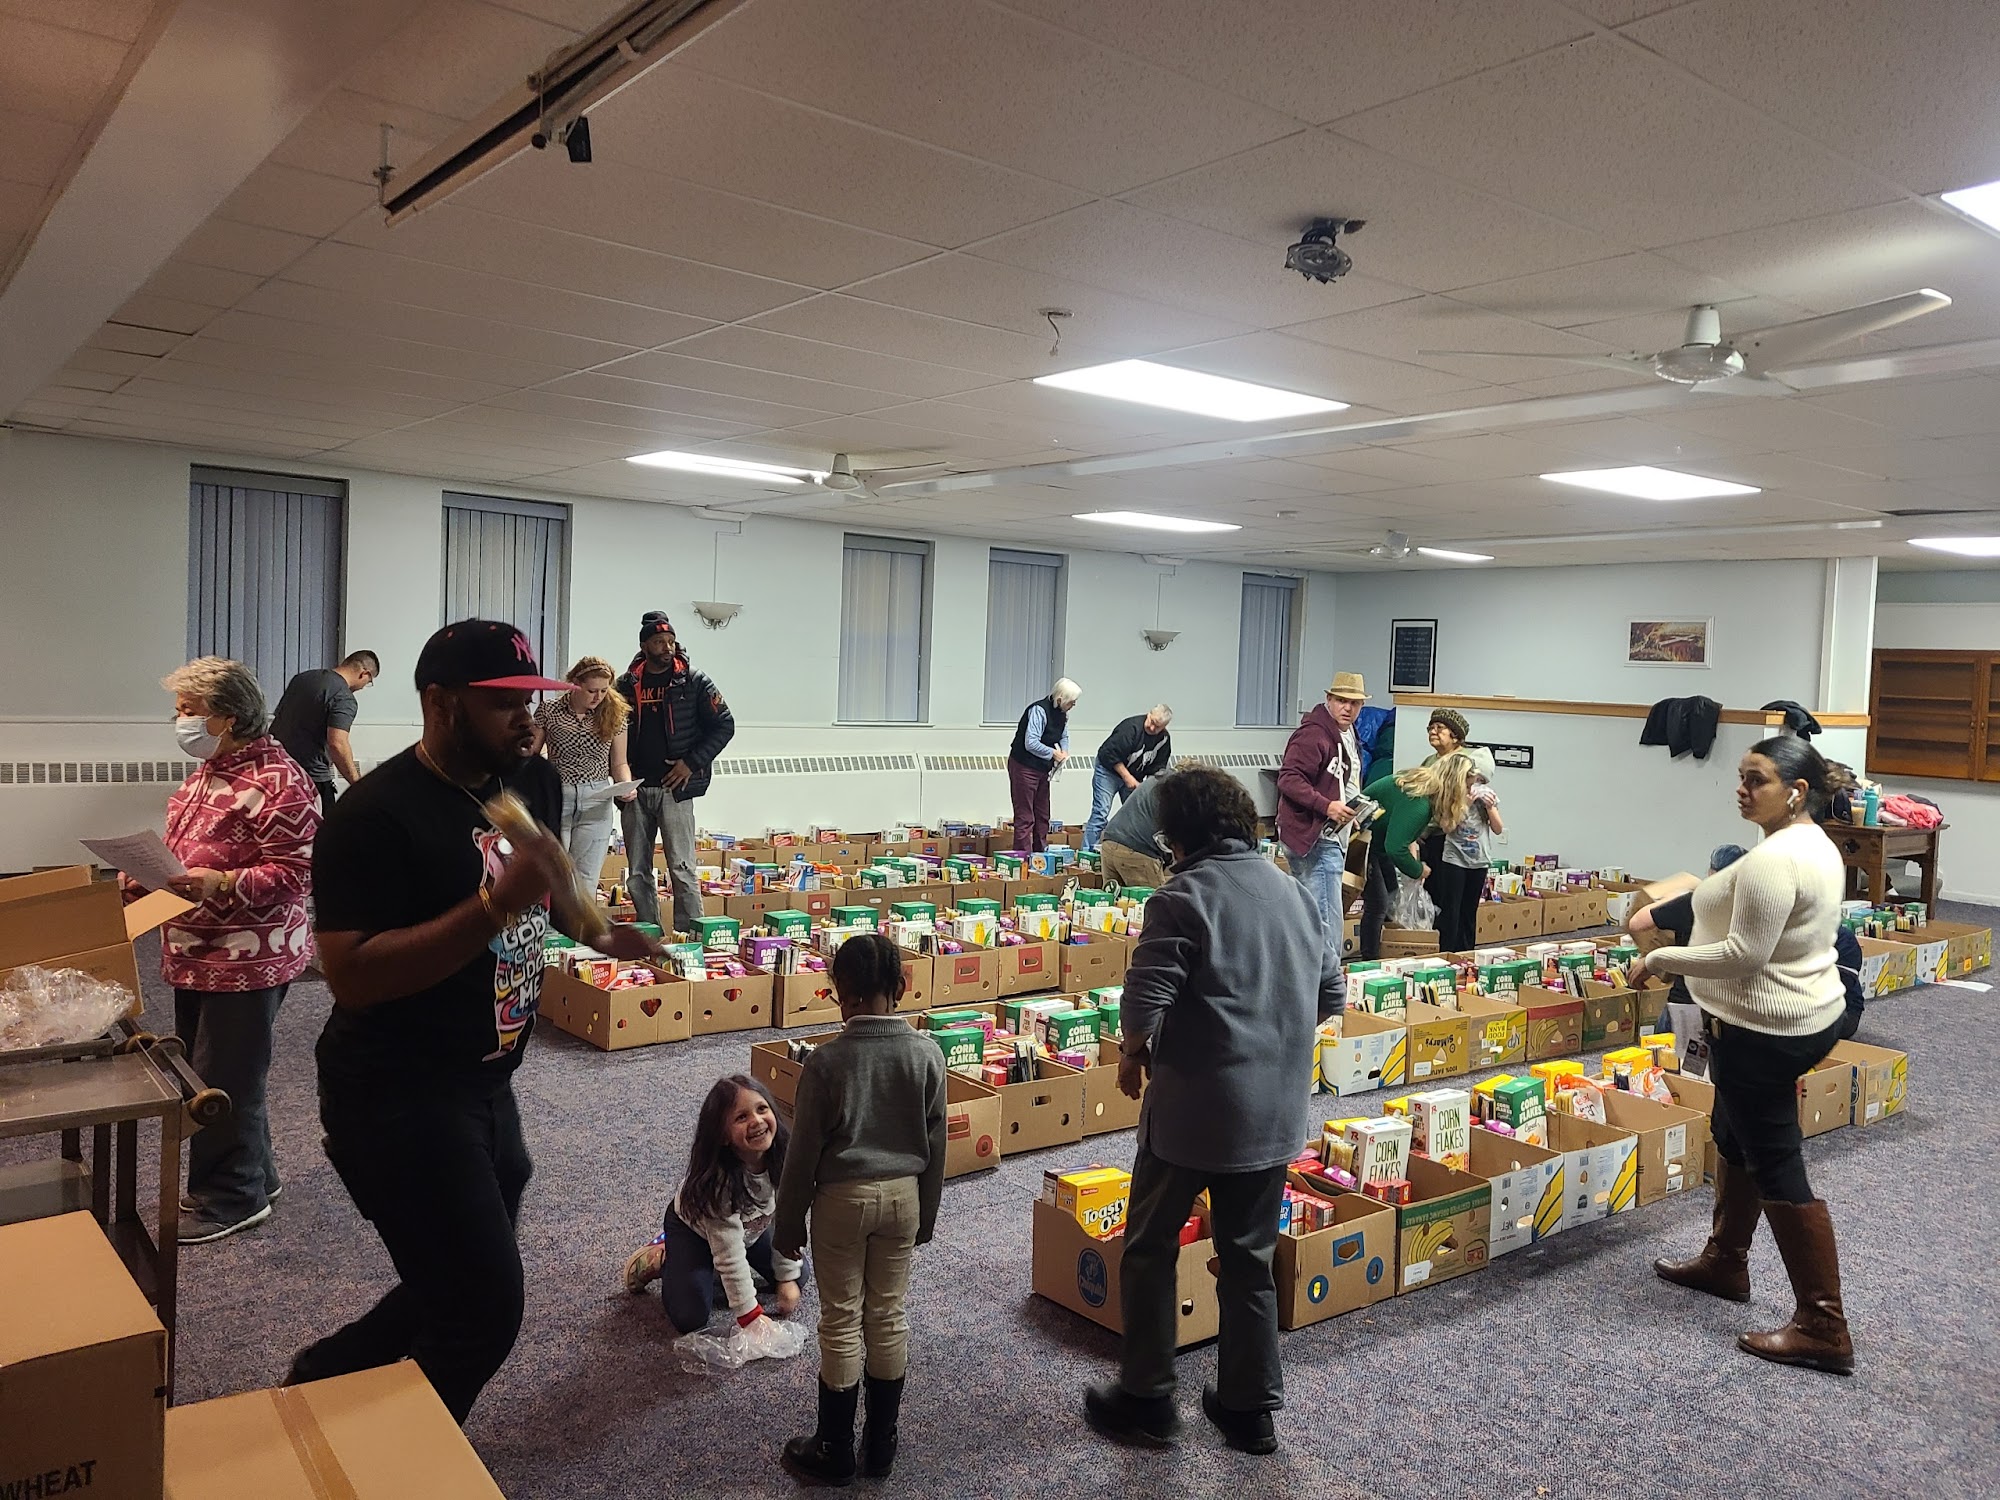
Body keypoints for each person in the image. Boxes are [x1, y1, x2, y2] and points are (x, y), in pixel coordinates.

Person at [287, 620, 661, 1423]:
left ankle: (326, 1373)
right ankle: (403, 1460)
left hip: (488, 1081)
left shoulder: (530, 783)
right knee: (483, 1314)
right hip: (391, 1091)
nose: (528, 719)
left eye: (533, 699)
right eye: (503, 705)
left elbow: (552, 887)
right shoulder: (373, 817)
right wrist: (495, 905)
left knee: (453, 1278)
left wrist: (601, 930)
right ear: (440, 704)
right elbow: (352, 978)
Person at [1084, 766, 1344, 1456]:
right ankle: (1249, 1409)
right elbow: (1331, 994)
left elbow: (1143, 1002)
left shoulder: (1182, 896)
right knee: (1249, 1261)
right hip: (1277, 1114)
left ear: (1176, 835)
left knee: (1147, 1249)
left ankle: (1146, 1396)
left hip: (1196, 1113)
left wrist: (1133, 1055)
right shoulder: (1293, 888)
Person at [1635, 737, 1854, 1376]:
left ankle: (1823, 1323)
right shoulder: (1809, 843)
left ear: (1796, 791)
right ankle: (1726, 1261)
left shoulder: (1775, 860)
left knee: (1776, 1159)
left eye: (1755, 779)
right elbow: (1722, 903)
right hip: (1796, 1014)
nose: (1741, 788)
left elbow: (1742, 956)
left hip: (1767, 1029)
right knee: (1731, 1132)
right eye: (1741, 776)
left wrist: (1660, 958)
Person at [142, 657, 319, 1244]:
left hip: (248, 959)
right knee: (211, 1069)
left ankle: (229, 1196)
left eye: (188, 711)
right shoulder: (211, 772)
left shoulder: (280, 780)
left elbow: (295, 875)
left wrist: (218, 884)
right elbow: (187, 851)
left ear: (227, 716)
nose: (179, 721)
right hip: (196, 948)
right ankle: (256, 1177)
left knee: (223, 1078)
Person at [774, 934, 946, 1485]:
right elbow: (937, 1145)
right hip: (903, 1200)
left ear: (837, 993)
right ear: (901, 987)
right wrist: (927, 1213)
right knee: (889, 1314)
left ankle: (833, 1448)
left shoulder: (825, 1062)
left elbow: (803, 1152)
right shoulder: (927, 1053)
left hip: (841, 1202)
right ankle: (882, 1445)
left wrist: (788, 1222)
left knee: (841, 1319)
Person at [621, 1076, 804, 1336]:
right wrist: (750, 1316)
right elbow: (729, 1253)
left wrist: (786, 1276)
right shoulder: (718, 1185)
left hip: (750, 1228)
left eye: (762, 1109)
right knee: (690, 1316)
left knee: (798, 1275)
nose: (757, 1121)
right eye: (741, 1118)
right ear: (723, 1136)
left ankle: (710, 1268)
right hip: (694, 1231)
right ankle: (660, 1256)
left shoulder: (785, 1157)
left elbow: (787, 1219)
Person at [617, 612, 735, 935]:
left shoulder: (694, 682)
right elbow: (610, 731)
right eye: (659, 642)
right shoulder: (626, 685)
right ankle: (649, 933)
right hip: (636, 790)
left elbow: (725, 725)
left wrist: (691, 763)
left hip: (676, 790)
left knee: (682, 869)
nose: (667, 648)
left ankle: (691, 937)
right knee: (637, 872)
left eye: (670, 641)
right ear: (644, 646)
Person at [1275, 672, 1368, 962]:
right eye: (1341, 701)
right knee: (1326, 918)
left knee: (1314, 915)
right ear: (1328, 699)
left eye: (1354, 703)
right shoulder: (1314, 734)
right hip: (1314, 836)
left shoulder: (1347, 732)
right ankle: (1326, 991)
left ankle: (1310, 981)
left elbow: (1343, 778)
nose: (1348, 708)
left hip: (1331, 833)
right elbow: (1289, 778)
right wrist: (1327, 806)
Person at [1354, 754, 1474, 960]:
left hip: (1372, 839)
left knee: (1392, 892)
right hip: (1361, 841)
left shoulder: (1419, 784)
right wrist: (1418, 869)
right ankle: (1370, 961)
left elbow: (1398, 826)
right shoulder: (1420, 804)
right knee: (1378, 903)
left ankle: (1387, 948)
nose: (1469, 793)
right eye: (1467, 788)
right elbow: (1395, 847)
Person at [535, 656, 635, 895]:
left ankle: (579, 932)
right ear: (574, 684)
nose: (598, 697)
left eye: (604, 690)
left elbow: (619, 762)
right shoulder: (550, 711)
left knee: (586, 880)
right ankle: (549, 931)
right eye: (591, 690)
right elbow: (532, 758)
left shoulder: (615, 714)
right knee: (554, 874)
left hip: (597, 796)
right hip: (559, 795)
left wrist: (626, 786)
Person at [270, 650, 379, 818]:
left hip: (278, 772)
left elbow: (281, 718)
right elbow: (338, 744)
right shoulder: (343, 697)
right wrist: (357, 784)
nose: (364, 686)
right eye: (369, 681)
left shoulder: (303, 679)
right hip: (312, 779)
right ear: (364, 673)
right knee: (327, 836)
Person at [1431, 747, 1502, 954]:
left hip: (1478, 860)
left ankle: (1467, 952)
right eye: (1474, 780)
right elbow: (1447, 827)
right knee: (1451, 910)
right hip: (1455, 859)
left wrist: (1489, 808)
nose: (1476, 785)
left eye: (1482, 781)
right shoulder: (1453, 795)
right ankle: (1447, 952)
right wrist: (1465, 804)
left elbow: (1498, 829)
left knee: (1469, 910)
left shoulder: (1488, 796)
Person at [1083, 704, 1173, 851]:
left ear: (1164, 727)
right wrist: (1128, 778)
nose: (1152, 728)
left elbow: (1158, 768)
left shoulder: (1163, 740)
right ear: (1148, 714)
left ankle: (1132, 851)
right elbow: (1109, 754)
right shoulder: (1130, 728)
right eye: (1151, 722)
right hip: (1108, 770)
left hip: (1135, 775)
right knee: (1101, 812)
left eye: (1157, 727)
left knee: (1137, 815)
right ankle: (1086, 852)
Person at [1007, 678, 1081, 854]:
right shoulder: (1038, 711)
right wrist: (1053, 753)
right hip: (1023, 766)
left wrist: (1065, 751)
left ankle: (1040, 855)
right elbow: (1030, 743)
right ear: (1060, 699)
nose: (1074, 705)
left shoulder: (1063, 714)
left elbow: (1064, 736)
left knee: (1042, 815)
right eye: (1072, 702)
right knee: (1025, 816)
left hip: (1042, 769)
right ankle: (1022, 858)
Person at [1417, 708, 1469, 912]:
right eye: (1430, 728)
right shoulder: (1430, 761)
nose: (1433, 731)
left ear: (1455, 736)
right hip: (1428, 835)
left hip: (1450, 836)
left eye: (1440, 728)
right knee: (1430, 889)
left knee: (1446, 894)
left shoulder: (1461, 762)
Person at [1098, 777, 1169, 889]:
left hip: (1109, 842)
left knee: (1113, 903)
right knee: (1155, 903)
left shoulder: (1154, 780)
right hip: (1138, 852)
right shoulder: (1176, 791)